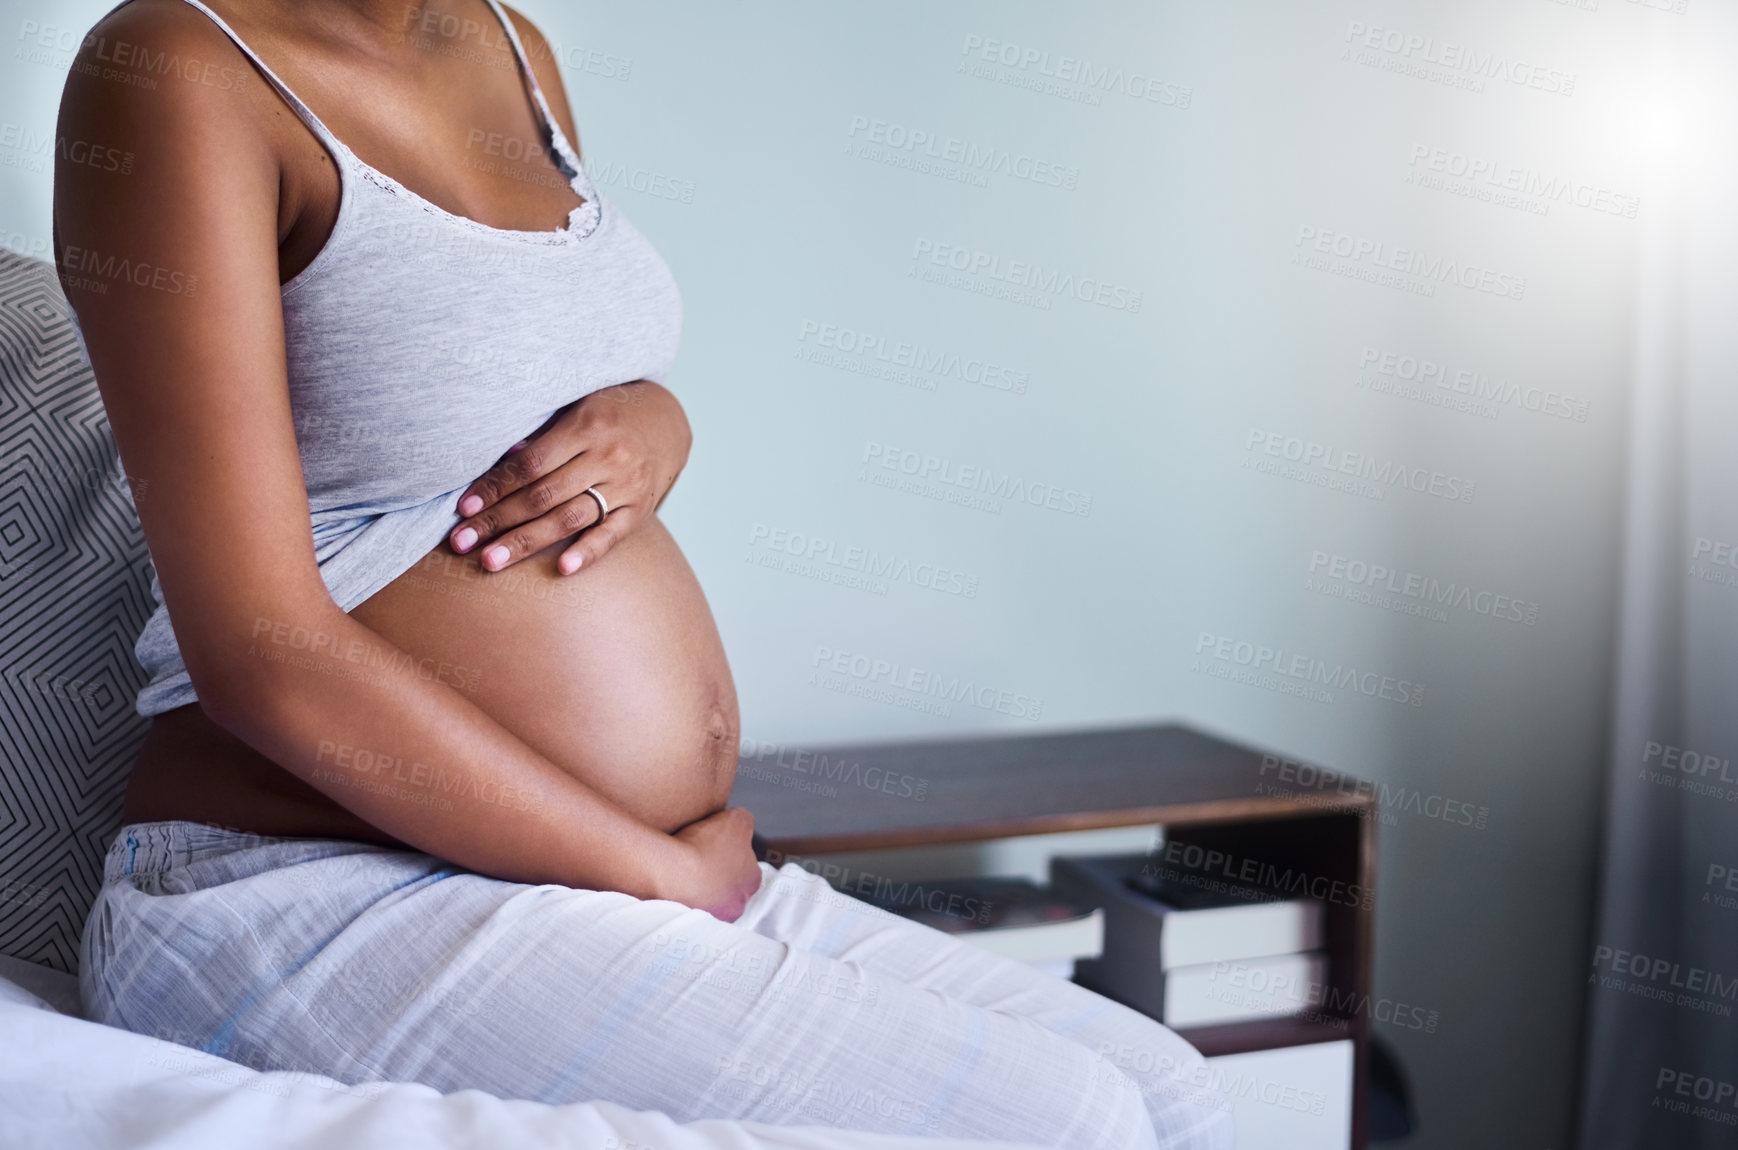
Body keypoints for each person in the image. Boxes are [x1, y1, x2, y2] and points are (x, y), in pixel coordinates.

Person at [56, 1, 1233, 1145]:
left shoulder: (510, 48)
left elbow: (522, 365)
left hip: (593, 872)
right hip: (315, 889)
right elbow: (260, 650)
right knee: (1073, 1124)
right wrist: (656, 872)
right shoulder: (177, 68)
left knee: (1171, 1093)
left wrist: (660, 422)